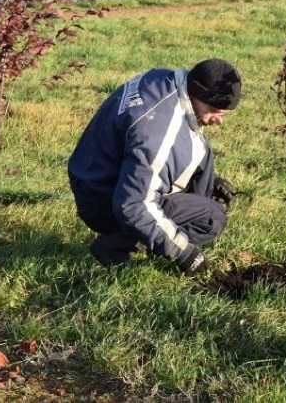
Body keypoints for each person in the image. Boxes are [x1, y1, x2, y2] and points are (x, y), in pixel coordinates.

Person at [68, 58, 241, 276]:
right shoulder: (157, 130)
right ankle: (115, 246)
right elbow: (133, 205)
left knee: (204, 159)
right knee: (211, 216)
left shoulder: (165, 80)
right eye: (215, 111)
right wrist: (183, 252)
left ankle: (156, 233)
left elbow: (181, 143)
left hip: (93, 173)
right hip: (103, 200)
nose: (218, 121)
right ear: (196, 93)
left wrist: (211, 179)